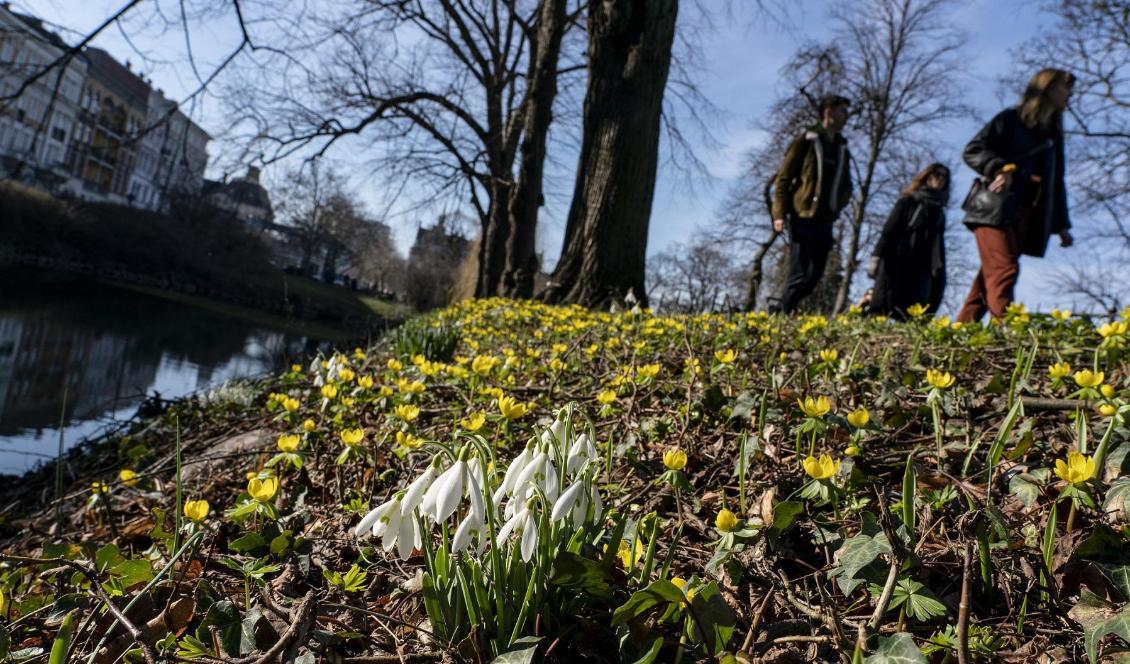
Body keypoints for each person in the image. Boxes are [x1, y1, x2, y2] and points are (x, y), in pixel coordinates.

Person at [957, 68, 1075, 323]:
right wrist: (999, 167)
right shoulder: (1010, 119)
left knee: (990, 274)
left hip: (1026, 213)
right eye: (1064, 88)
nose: (1069, 95)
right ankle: (1006, 330)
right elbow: (973, 149)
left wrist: (1061, 225)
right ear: (1047, 88)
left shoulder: (1052, 139)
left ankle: (962, 328)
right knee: (1004, 268)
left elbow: (1056, 183)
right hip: (994, 207)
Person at [769, 94, 853, 314]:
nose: (847, 116)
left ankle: (780, 310)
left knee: (815, 275)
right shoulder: (805, 141)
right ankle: (782, 315)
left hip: (826, 219)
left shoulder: (842, 148)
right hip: (802, 215)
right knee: (799, 272)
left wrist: (837, 205)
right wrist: (779, 214)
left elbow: (847, 185)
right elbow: (783, 179)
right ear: (829, 112)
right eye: (842, 111)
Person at [867, 164, 950, 319]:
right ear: (927, 177)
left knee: (914, 310)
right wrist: (877, 256)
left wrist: (939, 272)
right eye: (936, 175)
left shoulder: (939, 212)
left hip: (923, 265)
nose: (939, 180)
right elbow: (889, 230)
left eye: (944, 178)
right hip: (898, 258)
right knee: (884, 305)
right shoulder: (908, 201)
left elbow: (939, 246)